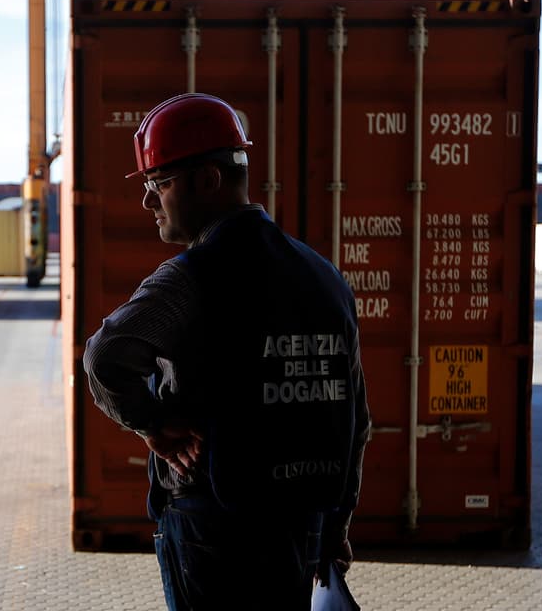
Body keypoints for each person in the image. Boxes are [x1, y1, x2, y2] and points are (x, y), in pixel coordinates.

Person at [83, 92, 372, 610]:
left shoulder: (190, 279)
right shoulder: (324, 277)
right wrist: (335, 524)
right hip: (302, 525)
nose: (149, 201)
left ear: (210, 180)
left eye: (160, 183)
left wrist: (156, 426)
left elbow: (104, 359)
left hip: (210, 526)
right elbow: (356, 418)